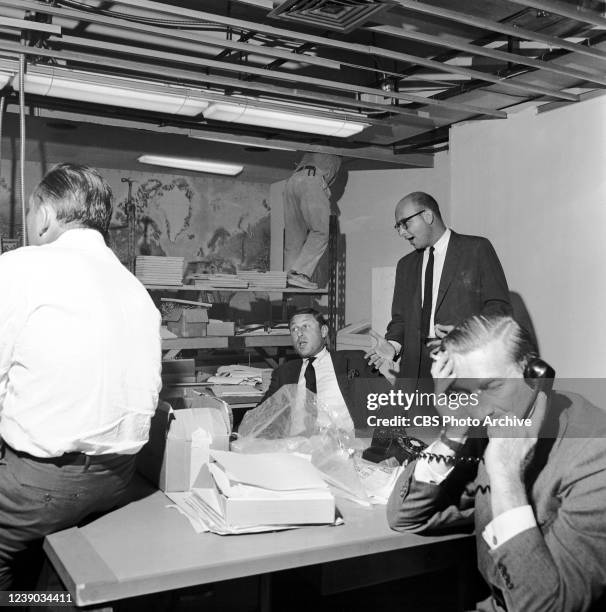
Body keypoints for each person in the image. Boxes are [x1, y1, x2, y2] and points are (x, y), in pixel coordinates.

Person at [0, 163, 162, 588]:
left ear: (47, 215)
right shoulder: (136, 290)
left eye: (31, 211)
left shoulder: (20, 266)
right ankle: (51, 600)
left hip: (43, 482)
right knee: (68, 568)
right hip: (118, 478)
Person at [387, 314, 606, 612]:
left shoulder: (594, 454)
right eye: (464, 391)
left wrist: (506, 476)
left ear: (534, 376)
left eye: (492, 386)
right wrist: (454, 433)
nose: (479, 410)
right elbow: (406, 516)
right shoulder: (487, 426)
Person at [366, 192, 511, 390]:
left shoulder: (476, 249)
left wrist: (467, 333)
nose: (401, 232)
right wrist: (393, 345)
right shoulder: (405, 265)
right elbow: (400, 319)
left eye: (405, 224)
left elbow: (500, 310)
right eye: (397, 226)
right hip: (415, 378)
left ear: (427, 216)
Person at [260, 308, 391, 430]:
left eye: (305, 326)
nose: (299, 333)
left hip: (346, 447)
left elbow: (392, 401)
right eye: (294, 329)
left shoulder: (354, 361)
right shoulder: (284, 373)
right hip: (296, 448)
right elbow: (261, 415)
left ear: (323, 331)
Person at [283, 152, 342, 289]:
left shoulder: (314, 150)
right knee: (322, 230)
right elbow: (323, 184)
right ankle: (299, 273)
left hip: (291, 182)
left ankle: (289, 274)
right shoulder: (336, 153)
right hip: (311, 178)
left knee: (294, 236)